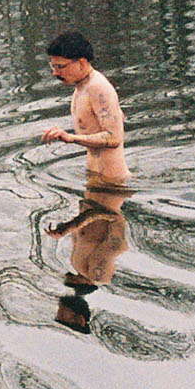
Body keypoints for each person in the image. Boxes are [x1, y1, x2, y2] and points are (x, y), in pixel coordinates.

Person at [41, 30, 130, 187]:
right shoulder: (82, 87)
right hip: (96, 179)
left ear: (81, 62)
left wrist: (72, 138)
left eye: (60, 66)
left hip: (112, 183)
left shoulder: (98, 87)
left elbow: (114, 137)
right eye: (53, 66)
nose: (55, 73)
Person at [46, 184, 130, 334]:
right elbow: (116, 219)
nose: (58, 312)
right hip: (109, 190)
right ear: (79, 320)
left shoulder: (77, 265)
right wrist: (72, 225)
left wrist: (66, 227)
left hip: (94, 190)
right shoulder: (98, 274)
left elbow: (85, 231)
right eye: (62, 317)